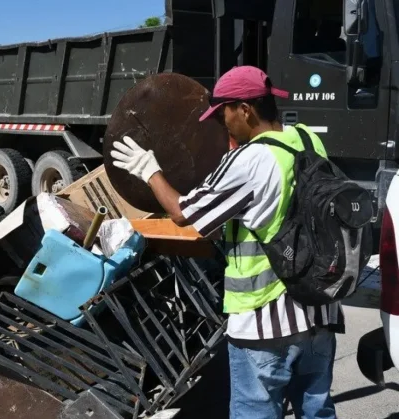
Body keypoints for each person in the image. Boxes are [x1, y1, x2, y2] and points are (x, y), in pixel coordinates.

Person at [110, 65, 344, 419]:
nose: (220, 124)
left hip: (265, 326)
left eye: (223, 114)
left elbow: (183, 213)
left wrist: (149, 170)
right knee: (317, 412)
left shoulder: (247, 161)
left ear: (245, 110)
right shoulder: (308, 139)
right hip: (319, 313)